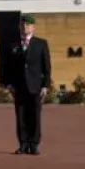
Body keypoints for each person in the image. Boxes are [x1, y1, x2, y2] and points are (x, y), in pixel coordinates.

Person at [8, 14, 52, 155]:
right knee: (20, 116)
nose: (25, 27)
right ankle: (23, 143)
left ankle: (33, 144)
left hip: (35, 86)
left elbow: (46, 67)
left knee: (34, 116)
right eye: (22, 25)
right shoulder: (13, 44)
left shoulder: (41, 44)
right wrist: (9, 84)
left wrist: (45, 86)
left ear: (33, 27)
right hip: (19, 87)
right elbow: (8, 66)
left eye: (28, 25)